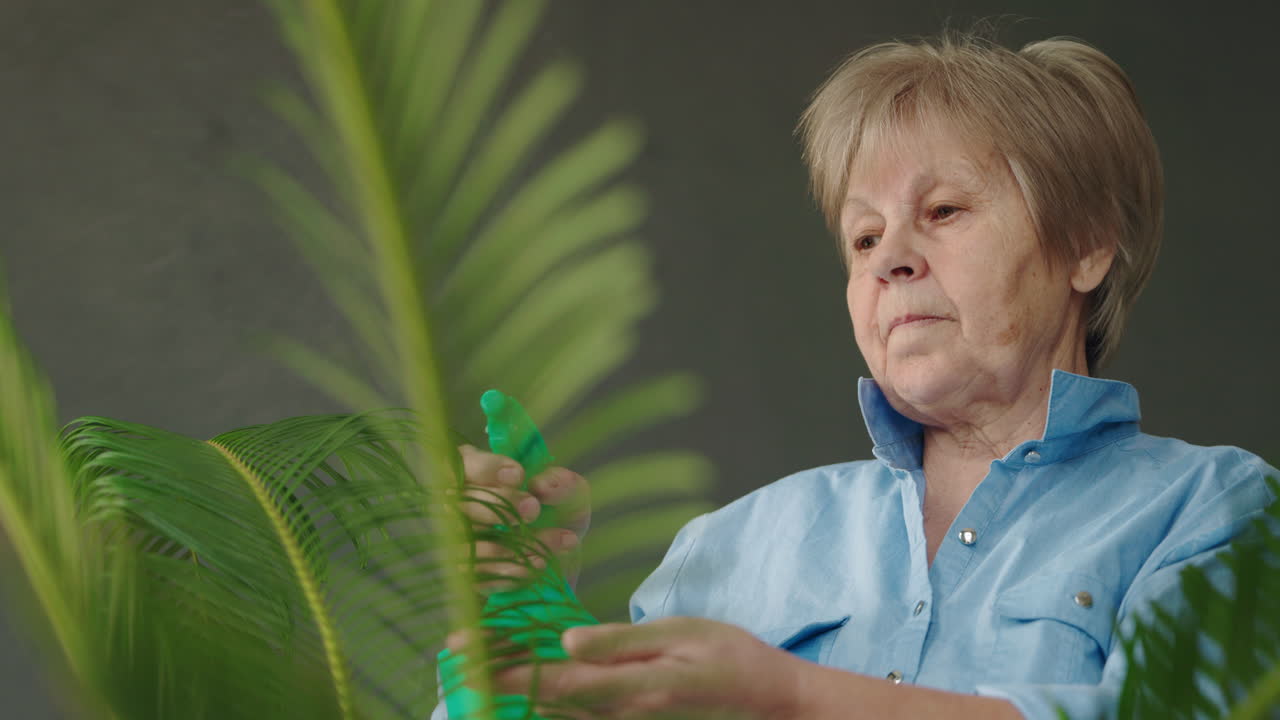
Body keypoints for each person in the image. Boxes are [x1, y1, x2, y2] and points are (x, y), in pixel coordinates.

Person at [442, 31, 1278, 719]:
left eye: (943, 211)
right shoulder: (725, 547)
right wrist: (519, 637)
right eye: (864, 238)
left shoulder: (1218, 509)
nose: (892, 262)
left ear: (1087, 244)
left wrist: (795, 696)